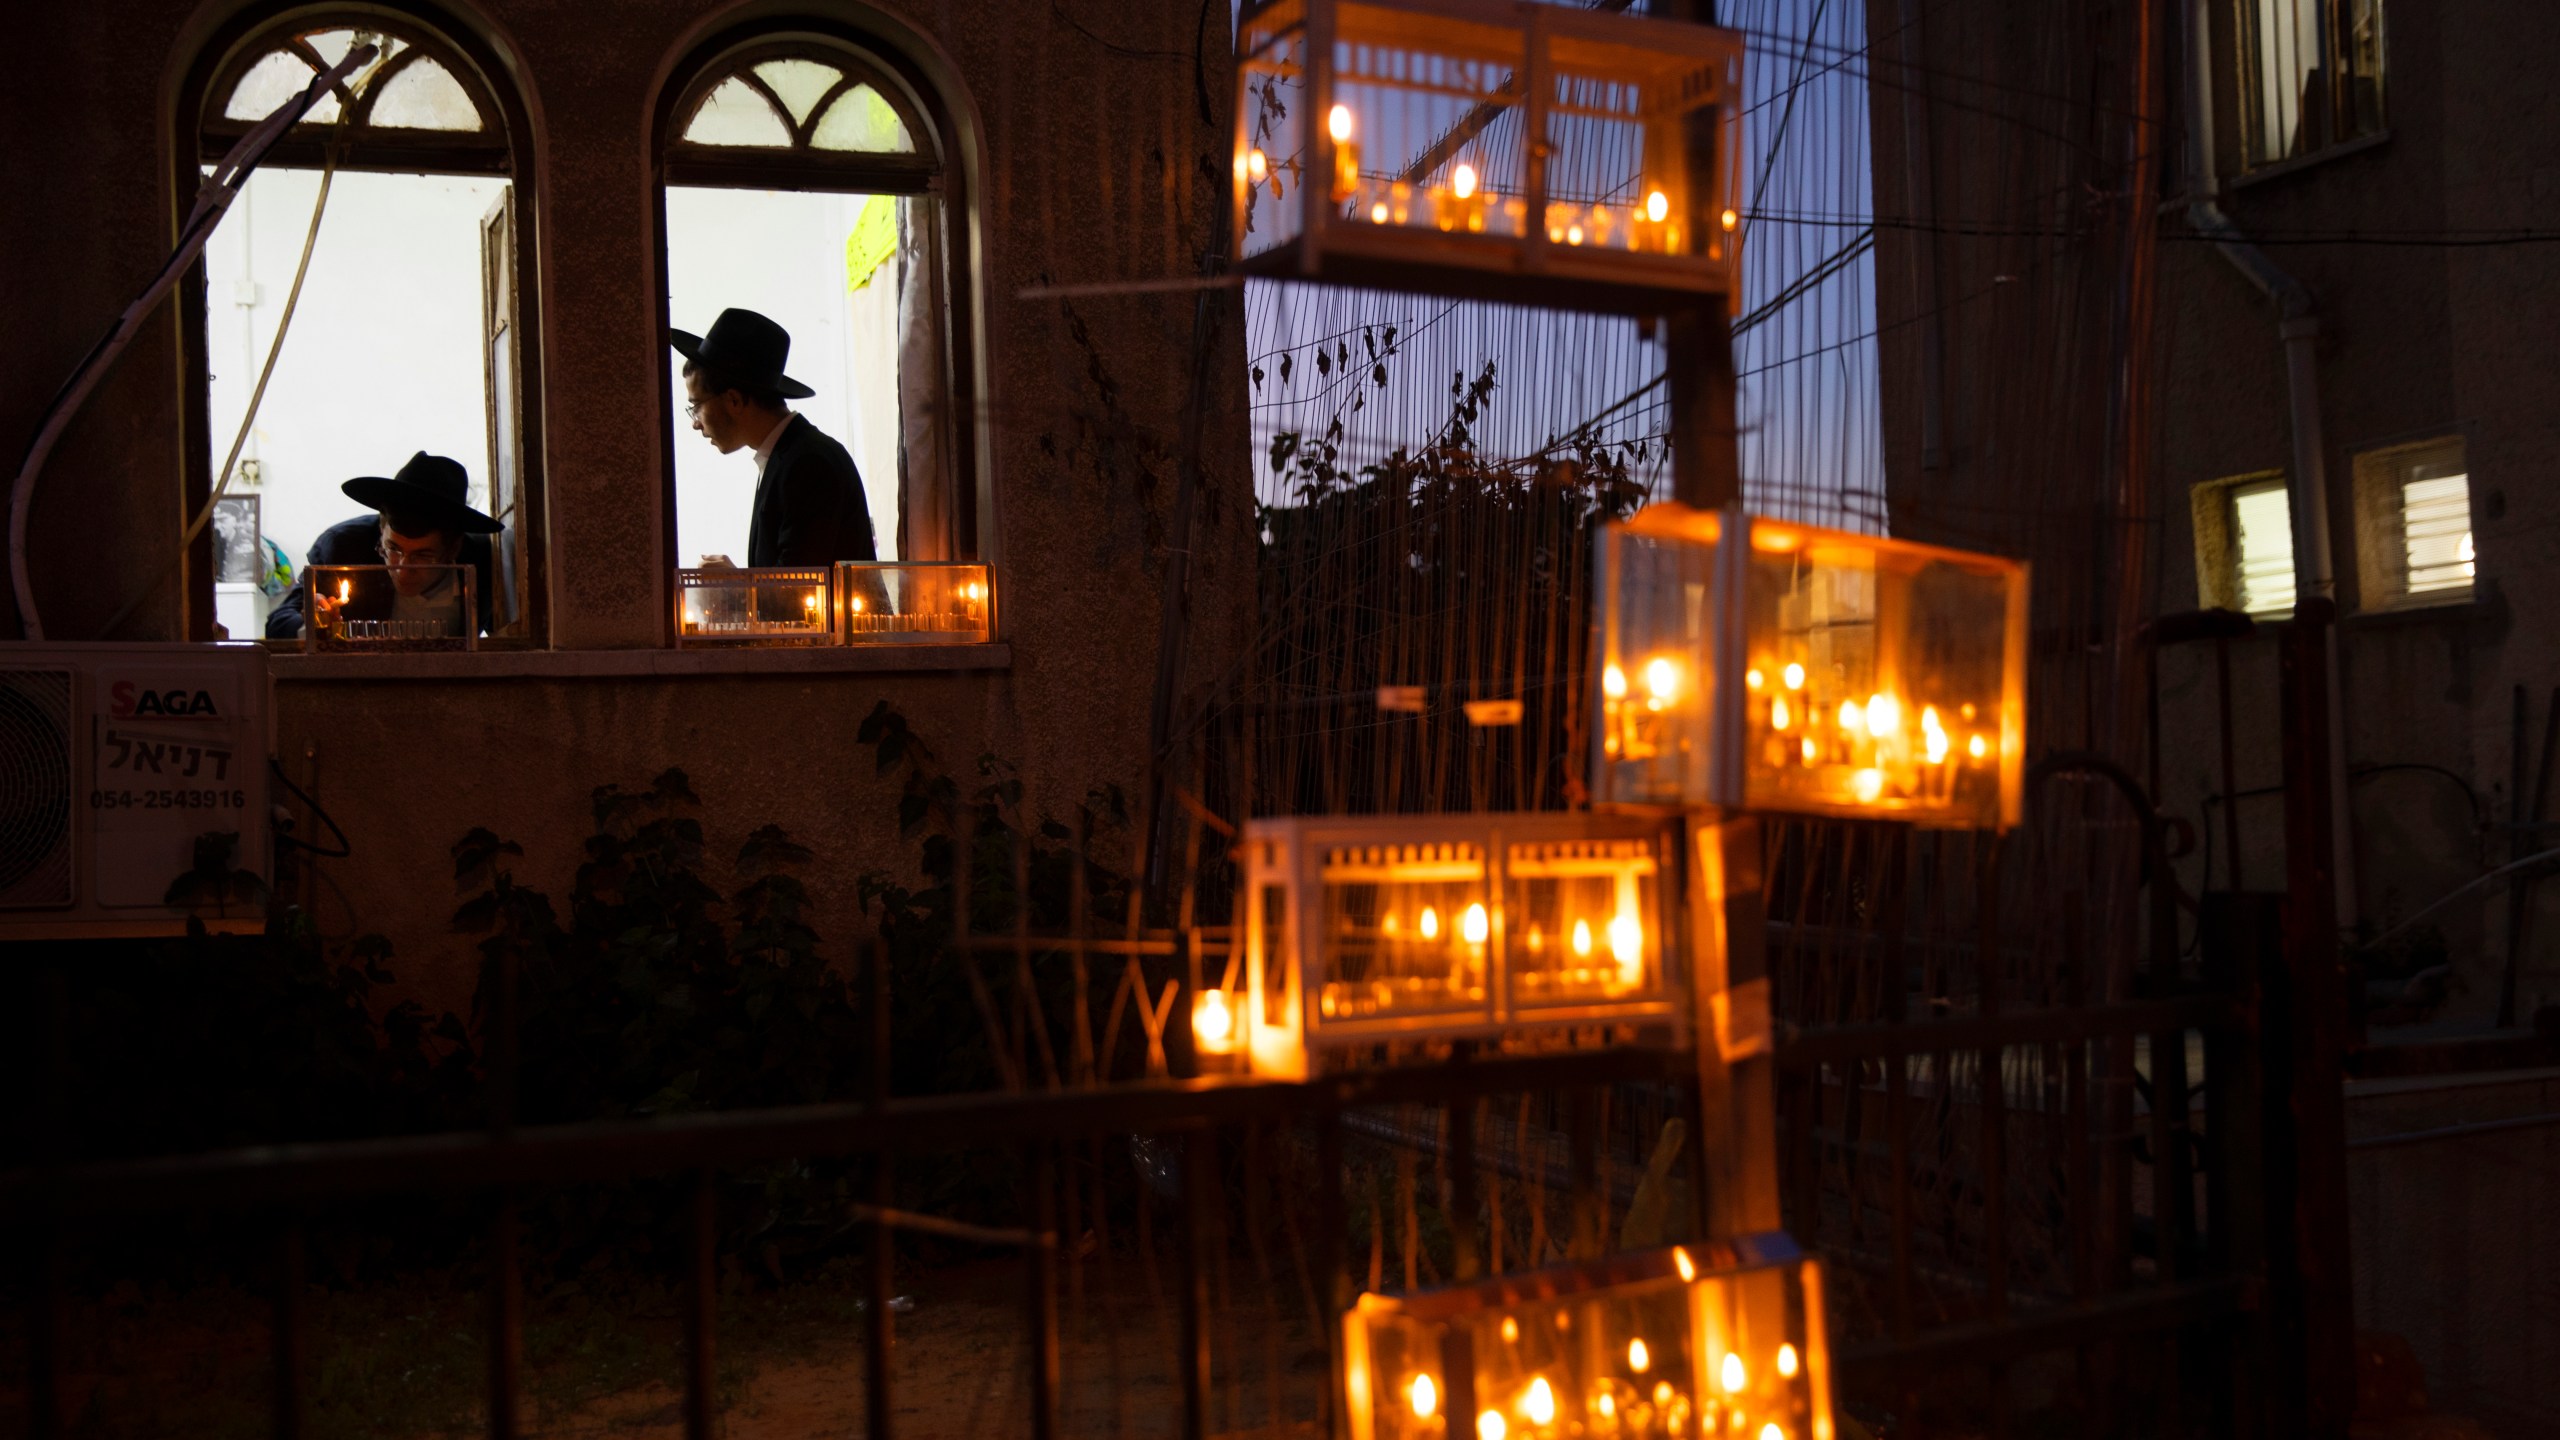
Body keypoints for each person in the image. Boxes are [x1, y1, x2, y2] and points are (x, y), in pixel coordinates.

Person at [672, 308, 877, 568]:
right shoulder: (793, 454)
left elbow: (800, 593)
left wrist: (738, 587)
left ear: (734, 400)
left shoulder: (807, 463)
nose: (695, 423)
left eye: (697, 406)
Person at [266, 452, 502, 639]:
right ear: (382, 529)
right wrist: (312, 624)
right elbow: (278, 624)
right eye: (393, 549)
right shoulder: (344, 549)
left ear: (453, 548)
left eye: (423, 556)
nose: (402, 568)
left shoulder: (482, 561)